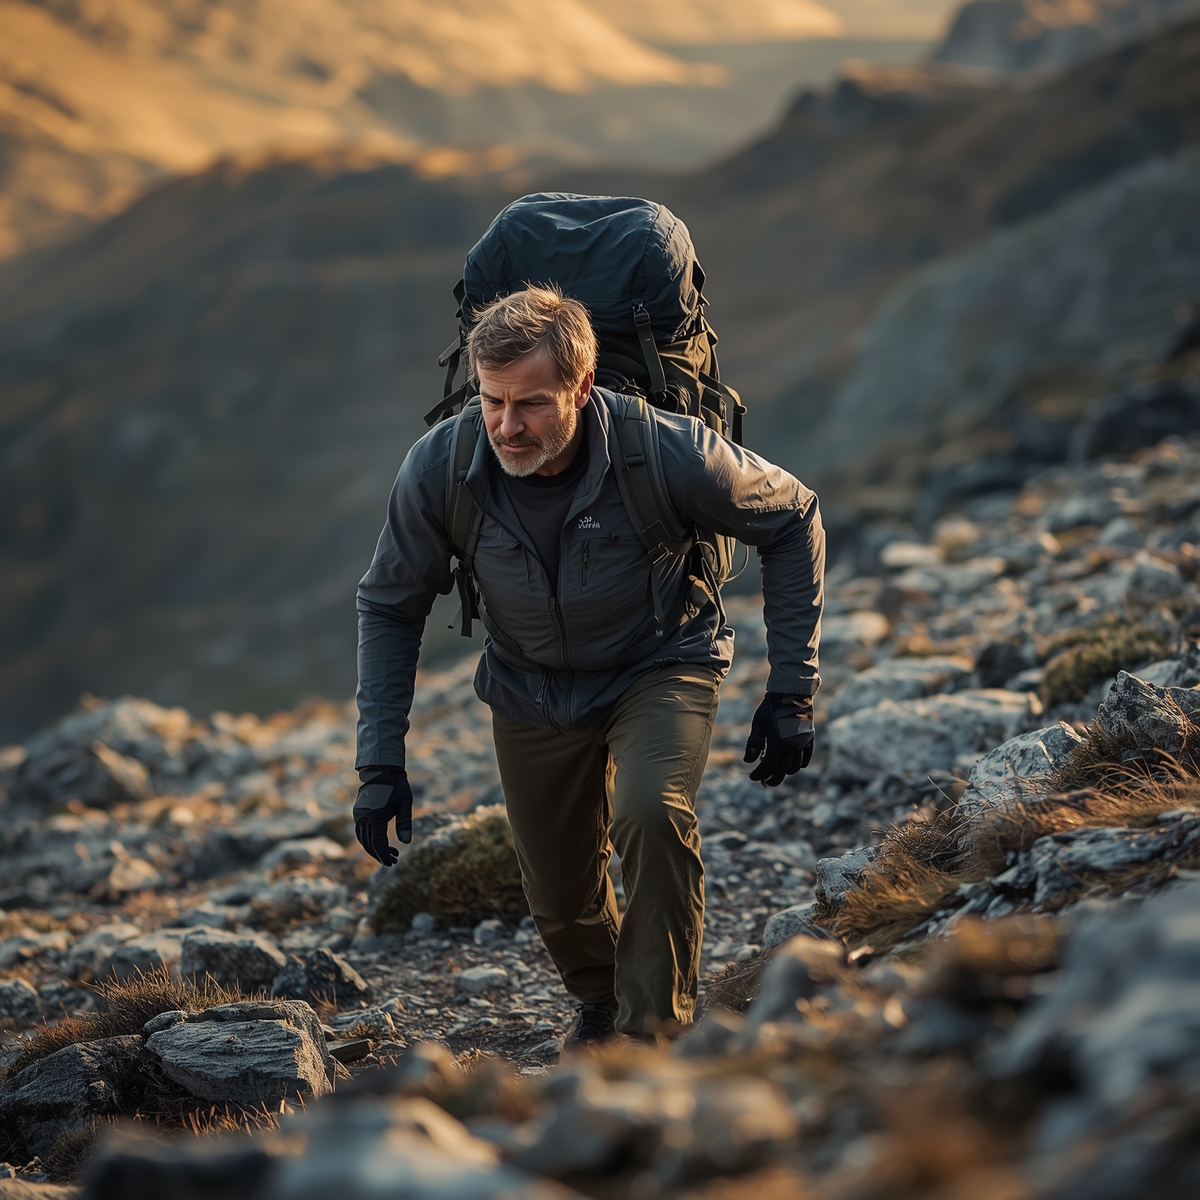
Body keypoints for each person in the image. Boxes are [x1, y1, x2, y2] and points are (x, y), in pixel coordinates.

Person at [353, 285, 824, 1046]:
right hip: (528, 683)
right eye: (493, 400)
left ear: (582, 384)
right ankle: (603, 1001)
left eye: (532, 404)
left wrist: (792, 688)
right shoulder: (443, 463)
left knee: (651, 811)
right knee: (559, 893)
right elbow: (389, 604)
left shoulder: (665, 450)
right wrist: (379, 763)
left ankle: (653, 1035)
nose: (507, 426)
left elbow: (795, 515)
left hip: (659, 664)